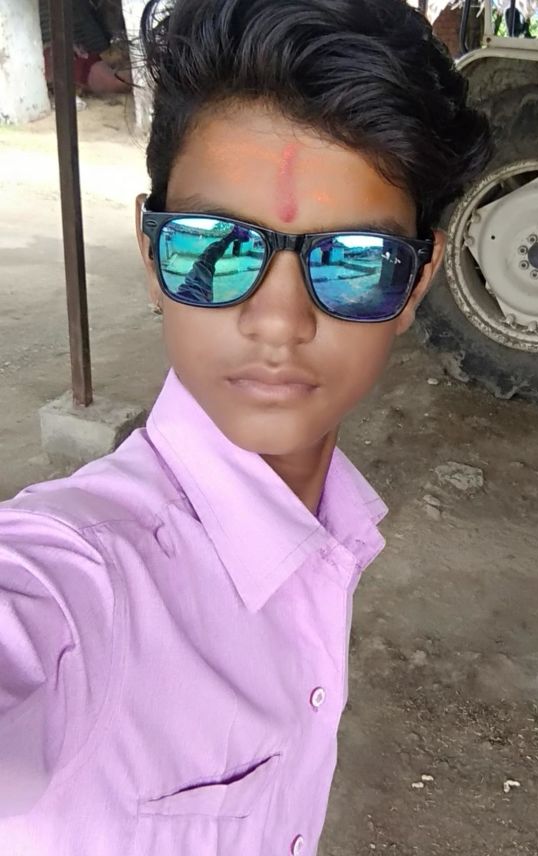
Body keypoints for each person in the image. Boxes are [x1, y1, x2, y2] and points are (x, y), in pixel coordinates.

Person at [0, 1, 491, 853]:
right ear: (151, 256)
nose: (280, 321)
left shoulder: (327, 532)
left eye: (356, 260)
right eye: (213, 246)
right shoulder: (77, 581)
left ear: (416, 284)